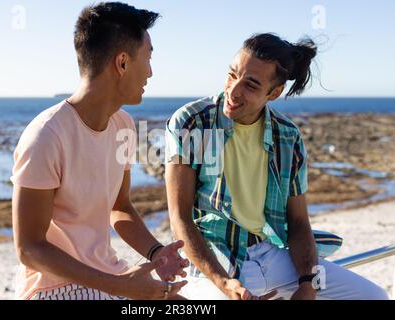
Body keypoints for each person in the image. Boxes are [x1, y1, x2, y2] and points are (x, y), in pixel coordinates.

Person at [165, 33, 389, 300]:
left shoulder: (288, 136)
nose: (233, 90)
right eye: (232, 74)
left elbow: (298, 222)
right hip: (212, 259)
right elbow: (180, 218)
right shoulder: (192, 123)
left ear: (274, 92)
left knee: (373, 296)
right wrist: (224, 283)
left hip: (269, 251)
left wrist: (308, 284)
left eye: (250, 85)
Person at [11, 2, 188, 300]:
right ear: (122, 63)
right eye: (148, 58)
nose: (151, 72)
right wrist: (119, 286)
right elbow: (29, 249)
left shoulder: (123, 126)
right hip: (55, 288)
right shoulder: (45, 136)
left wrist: (156, 252)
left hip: (108, 275)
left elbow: (119, 207)